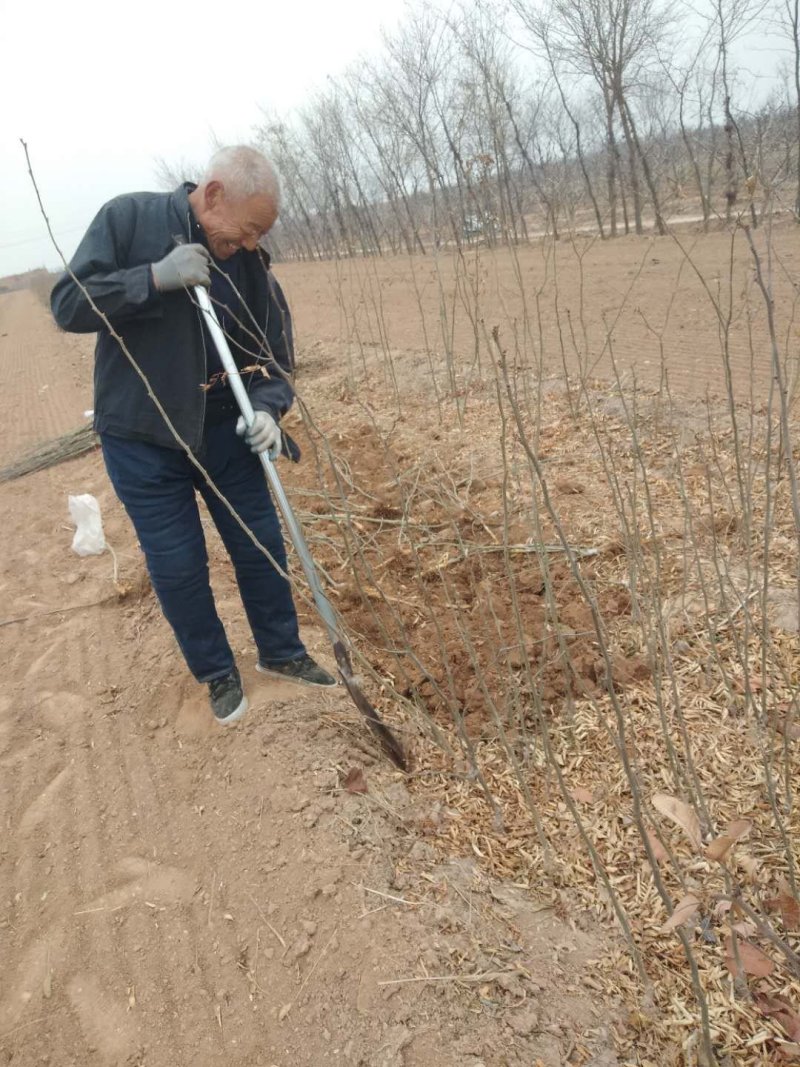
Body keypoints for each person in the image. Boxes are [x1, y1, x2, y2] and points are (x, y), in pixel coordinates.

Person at [51, 145, 336, 725]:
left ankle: (283, 652)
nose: (250, 245)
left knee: (259, 545)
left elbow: (275, 359)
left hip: (226, 432)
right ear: (212, 196)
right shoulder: (128, 219)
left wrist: (266, 409)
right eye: (246, 230)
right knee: (178, 565)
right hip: (143, 438)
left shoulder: (250, 263)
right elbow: (68, 303)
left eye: (261, 234)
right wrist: (151, 278)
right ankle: (217, 673)